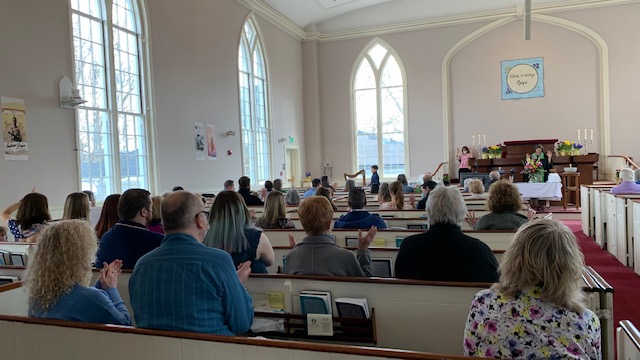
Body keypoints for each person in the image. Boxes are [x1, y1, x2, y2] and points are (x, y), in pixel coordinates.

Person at [463, 219, 601, 359]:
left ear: (514, 258)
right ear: (570, 265)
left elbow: (470, 352)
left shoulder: (484, 303)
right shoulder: (586, 322)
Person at [129, 191, 253, 335]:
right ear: (200, 219)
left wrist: (232, 281)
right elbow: (242, 323)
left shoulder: (142, 265)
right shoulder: (219, 261)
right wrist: (237, 284)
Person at [26, 220, 130, 325]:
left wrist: (99, 286)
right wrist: (111, 288)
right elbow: (125, 323)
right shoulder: (92, 298)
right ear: (81, 256)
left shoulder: (38, 300)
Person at [394, 186, 499, 282]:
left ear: (429, 212)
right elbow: (493, 287)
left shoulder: (409, 246)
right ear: (462, 212)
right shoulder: (479, 250)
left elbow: (399, 283)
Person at [285, 196, 375, 277]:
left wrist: (297, 251)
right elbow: (365, 284)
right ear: (329, 223)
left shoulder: (291, 257)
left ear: (302, 224)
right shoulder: (346, 257)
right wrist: (363, 251)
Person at [204, 190, 274, 273]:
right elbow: (270, 261)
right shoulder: (257, 237)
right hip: (253, 285)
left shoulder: (204, 237)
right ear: (242, 210)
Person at [95, 189, 163, 269]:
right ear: (144, 211)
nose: (152, 211)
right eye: (151, 208)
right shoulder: (157, 241)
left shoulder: (106, 237)